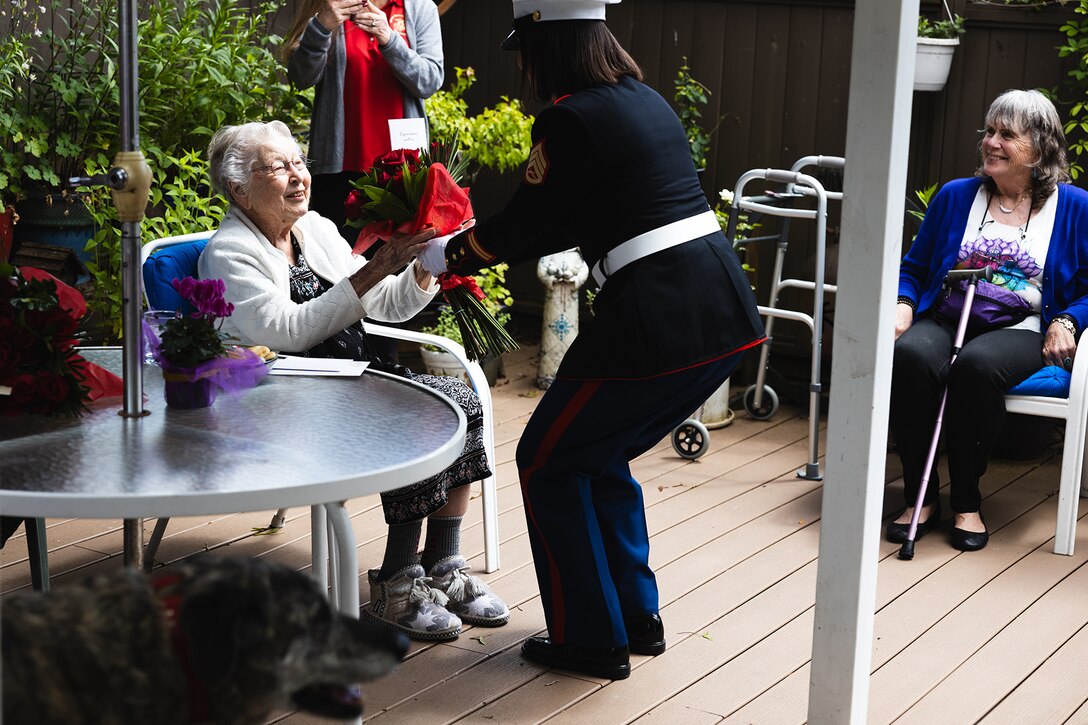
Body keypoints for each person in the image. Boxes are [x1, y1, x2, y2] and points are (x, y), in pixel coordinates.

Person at [416, 0, 765, 680]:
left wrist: (447, 256)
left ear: (550, 48)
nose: (521, 66)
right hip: (720, 310)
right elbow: (566, 220)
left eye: (525, 51)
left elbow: (529, 224)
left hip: (656, 317)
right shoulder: (644, 100)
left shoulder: (569, 117)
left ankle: (589, 638)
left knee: (547, 458)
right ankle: (635, 618)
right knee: (595, 454)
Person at [197, 121, 509, 641]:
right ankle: (396, 585)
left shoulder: (314, 229)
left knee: (458, 401)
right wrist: (379, 263)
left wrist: (422, 264)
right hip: (286, 401)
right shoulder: (228, 253)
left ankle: (443, 564)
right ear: (238, 189)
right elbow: (290, 332)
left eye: (299, 163)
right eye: (278, 168)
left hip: (353, 379)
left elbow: (386, 304)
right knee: (418, 415)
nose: (297, 176)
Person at [890, 89, 1088, 552]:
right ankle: (920, 497)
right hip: (948, 315)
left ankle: (966, 499)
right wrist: (903, 302)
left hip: (1021, 327)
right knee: (911, 356)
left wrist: (1067, 319)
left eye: (1007, 135)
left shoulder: (1076, 208)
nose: (991, 143)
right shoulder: (956, 196)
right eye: (989, 132)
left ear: (1039, 150)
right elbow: (915, 267)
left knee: (975, 368)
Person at [282, 0, 443, 238]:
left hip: (403, 172)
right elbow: (301, 78)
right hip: (339, 169)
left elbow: (429, 81)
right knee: (337, 264)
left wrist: (389, 38)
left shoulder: (420, 8)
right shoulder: (332, 6)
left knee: (398, 266)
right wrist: (321, 26)